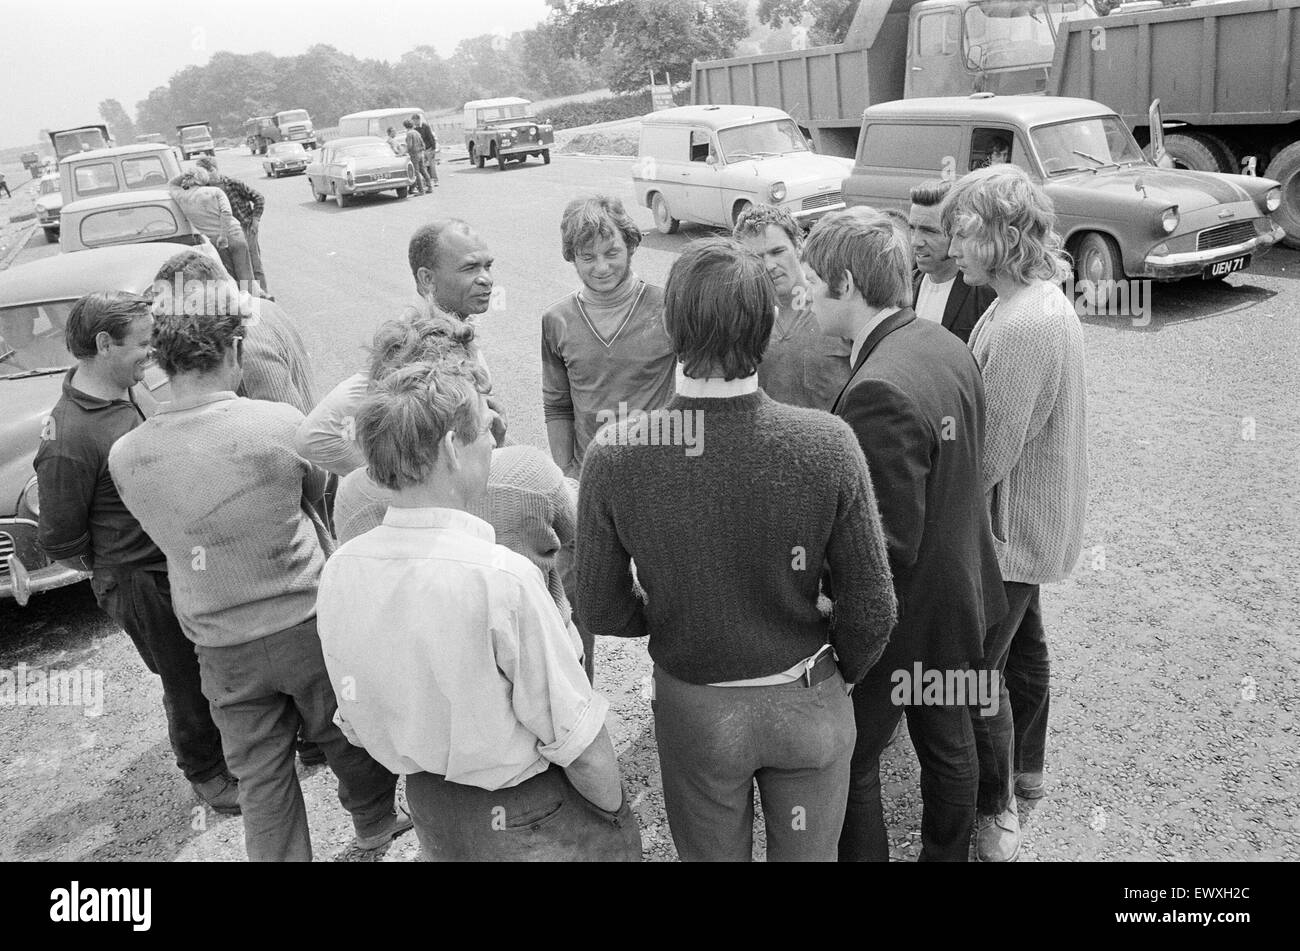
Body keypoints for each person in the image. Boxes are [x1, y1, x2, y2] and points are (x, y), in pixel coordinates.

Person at [577, 238, 898, 862]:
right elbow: (874, 608)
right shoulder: (828, 445)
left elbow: (600, 606)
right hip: (807, 697)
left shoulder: (615, 456)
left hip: (696, 708)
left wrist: (671, 612)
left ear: (670, 326)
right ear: (771, 321)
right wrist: (836, 668)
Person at [108, 308, 409, 862]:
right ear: (233, 353)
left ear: (161, 365)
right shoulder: (278, 423)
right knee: (346, 734)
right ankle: (375, 822)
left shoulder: (127, 455)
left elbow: (156, 529)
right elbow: (316, 491)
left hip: (221, 645)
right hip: (307, 621)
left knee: (261, 775)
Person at [316, 356, 641, 861]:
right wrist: (617, 818)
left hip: (430, 805)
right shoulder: (502, 579)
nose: (494, 439)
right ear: (451, 446)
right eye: (486, 426)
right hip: (527, 810)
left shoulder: (340, 570)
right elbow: (577, 739)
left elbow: (356, 719)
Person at [802, 208, 1007, 862]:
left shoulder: (878, 388)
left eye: (812, 279)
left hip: (910, 618)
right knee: (948, 744)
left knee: (856, 761)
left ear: (849, 286)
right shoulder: (943, 343)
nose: (802, 292)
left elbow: (884, 546)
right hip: (965, 590)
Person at [33, 292, 238, 815]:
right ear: (104, 344)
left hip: (173, 562)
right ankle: (207, 771)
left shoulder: (131, 389)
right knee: (183, 677)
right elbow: (60, 538)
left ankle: (231, 745)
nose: (152, 357)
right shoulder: (71, 436)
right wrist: (116, 569)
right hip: (139, 580)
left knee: (209, 660)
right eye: (143, 345)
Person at [944, 164, 1088, 862]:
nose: (955, 245)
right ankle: (1027, 772)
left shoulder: (1027, 321)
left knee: (977, 672)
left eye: (967, 230)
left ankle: (995, 810)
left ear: (1003, 236)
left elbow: (990, 452)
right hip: (1028, 527)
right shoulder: (1029, 300)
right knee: (1024, 647)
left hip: (1012, 533)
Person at [151, 249, 331, 766]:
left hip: (293, 496)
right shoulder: (260, 309)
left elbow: (292, 433)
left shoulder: (246, 345)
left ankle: (318, 737)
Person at [332, 320, 578, 642]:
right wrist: (497, 444)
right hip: (536, 646)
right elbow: (580, 525)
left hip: (419, 657)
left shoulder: (351, 495)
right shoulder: (528, 473)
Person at [294, 219, 503, 474]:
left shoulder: (458, 329)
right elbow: (314, 437)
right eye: (470, 268)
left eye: (488, 266)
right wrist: (395, 481)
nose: (486, 279)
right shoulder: (417, 346)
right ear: (426, 279)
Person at [542, 195, 675, 478]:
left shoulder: (666, 308)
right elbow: (557, 405)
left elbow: (705, 383)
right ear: (572, 257)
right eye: (588, 257)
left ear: (630, 246)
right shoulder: (557, 320)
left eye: (612, 253)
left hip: (659, 477)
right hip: (591, 480)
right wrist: (566, 474)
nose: (601, 268)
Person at [732, 203, 851, 410]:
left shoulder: (839, 306)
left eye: (777, 252)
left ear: (798, 246)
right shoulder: (738, 318)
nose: (769, 266)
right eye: (756, 257)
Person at [909, 180, 997, 344]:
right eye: (912, 228)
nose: (916, 241)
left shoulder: (986, 293)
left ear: (958, 231)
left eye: (929, 231)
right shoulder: (903, 287)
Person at [167, 168, 263, 297]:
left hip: (214, 239)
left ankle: (240, 305)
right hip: (234, 234)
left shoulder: (181, 196)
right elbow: (227, 212)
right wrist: (224, 234)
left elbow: (171, 184)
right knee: (246, 276)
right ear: (204, 180)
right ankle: (255, 302)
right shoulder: (215, 191)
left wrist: (186, 173)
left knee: (229, 276)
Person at [195, 155, 270, 296]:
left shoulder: (232, 183)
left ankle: (264, 297)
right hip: (225, 232)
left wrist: (256, 220)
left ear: (214, 169)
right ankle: (244, 297)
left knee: (255, 265)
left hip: (245, 228)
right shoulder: (205, 191)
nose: (207, 175)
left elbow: (258, 197)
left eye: (209, 171)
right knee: (233, 269)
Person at [403, 120, 431, 196]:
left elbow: (409, 145)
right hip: (420, 153)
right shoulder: (417, 132)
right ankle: (429, 187)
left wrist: (403, 153)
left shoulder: (409, 134)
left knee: (416, 172)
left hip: (414, 154)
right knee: (423, 170)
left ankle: (421, 190)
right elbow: (423, 144)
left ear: (405, 126)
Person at [413, 113, 439, 187]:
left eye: (415, 121)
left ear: (418, 120)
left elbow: (431, 137)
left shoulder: (425, 126)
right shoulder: (414, 129)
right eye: (413, 121)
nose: (415, 123)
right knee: (423, 167)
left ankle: (435, 180)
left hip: (429, 148)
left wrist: (433, 148)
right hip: (421, 150)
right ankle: (426, 181)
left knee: (432, 166)